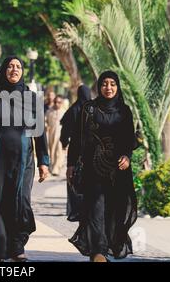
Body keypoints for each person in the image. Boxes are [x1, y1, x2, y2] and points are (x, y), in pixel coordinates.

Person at [0, 56, 50, 262]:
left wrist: (44, 161)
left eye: (18, 67)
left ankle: (17, 244)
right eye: (11, 66)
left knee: (21, 202)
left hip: (24, 160)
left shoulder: (31, 98)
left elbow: (40, 132)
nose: (15, 70)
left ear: (22, 72)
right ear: (4, 70)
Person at [67, 71, 137, 262]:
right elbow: (76, 139)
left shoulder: (125, 111)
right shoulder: (89, 109)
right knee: (95, 210)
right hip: (93, 170)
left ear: (118, 86)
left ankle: (104, 248)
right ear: (99, 86)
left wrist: (127, 156)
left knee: (114, 211)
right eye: (104, 84)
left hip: (118, 172)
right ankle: (98, 251)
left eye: (112, 84)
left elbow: (129, 139)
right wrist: (71, 165)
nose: (108, 88)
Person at [60, 85, 92, 221]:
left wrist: (64, 142)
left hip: (75, 148)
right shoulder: (92, 108)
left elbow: (65, 129)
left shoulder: (73, 109)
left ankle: (73, 209)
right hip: (90, 149)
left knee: (73, 177)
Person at [45, 95, 67, 176]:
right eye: (55, 102)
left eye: (59, 102)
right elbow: (45, 121)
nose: (57, 104)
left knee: (59, 152)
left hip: (61, 135)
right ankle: (53, 167)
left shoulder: (64, 112)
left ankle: (56, 169)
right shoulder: (49, 111)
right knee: (52, 152)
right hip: (51, 135)